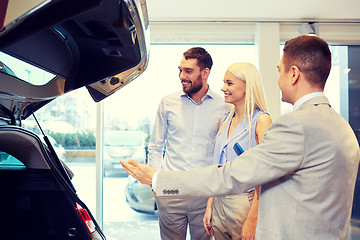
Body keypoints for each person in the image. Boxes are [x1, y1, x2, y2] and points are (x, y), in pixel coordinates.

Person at [121, 35, 360, 240]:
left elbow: (232, 174)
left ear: (294, 74)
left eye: (280, 71)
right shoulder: (341, 127)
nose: (277, 81)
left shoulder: (295, 125)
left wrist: (158, 179)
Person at [147, 47, 229, 240]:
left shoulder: (224, 107)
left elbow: (224, 153)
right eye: (180, 70)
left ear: (205, 72)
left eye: (188, 71)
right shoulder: (167, 103)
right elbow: (155, 146)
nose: (182, 76)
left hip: (205, 195)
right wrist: (156, 183)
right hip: (170, 192)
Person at [203, 62, 272, 240]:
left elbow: (265, 175)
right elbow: (216, 167)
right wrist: (210, 204)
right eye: (224, 82)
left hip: (244, 202)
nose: (223, 88)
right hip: (219, 200)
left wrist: (253, 219)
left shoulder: (261, 121)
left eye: (229, 83)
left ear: (247, 87)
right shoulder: (224, 121)